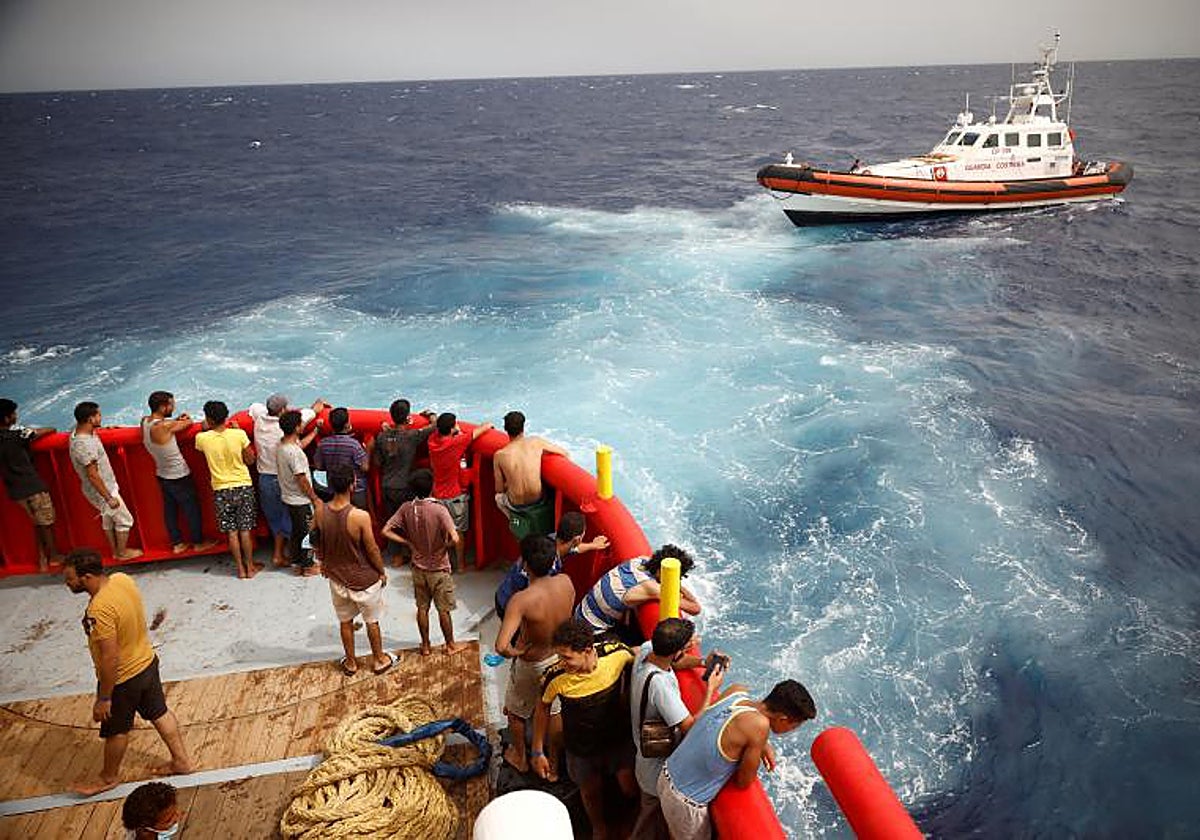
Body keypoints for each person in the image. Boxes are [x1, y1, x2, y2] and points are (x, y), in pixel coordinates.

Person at [63, 549, 193, 796]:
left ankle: (108, 778)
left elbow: (110, 658)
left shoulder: (99, 610)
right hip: (147, 661)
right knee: (160, 713)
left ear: (87, 577)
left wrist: (104, 697)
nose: (67, 583)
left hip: (123, 679)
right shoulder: (122, 579)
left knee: (116, 730)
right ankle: (181, 761)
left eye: (70, 578)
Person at [658, 679, 817, 840]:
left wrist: (762, 745)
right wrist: (759, 743)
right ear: (782, 719)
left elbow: (729, 725)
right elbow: (744, 781)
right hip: (685, 801)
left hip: (666, 773)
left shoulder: (736, 692)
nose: (792, 731)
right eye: (794, 726)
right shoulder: (759, 726)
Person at [531, 618, 638, 840]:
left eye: (567, 657)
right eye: (559, 656)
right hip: (580, 748)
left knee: (629, 787)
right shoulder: (555, 676)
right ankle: (598, 827)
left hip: (617, 739)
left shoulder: (615, 653)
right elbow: (542, 707)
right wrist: (537, 751)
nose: (561, 662)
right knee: (590, 793)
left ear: (588, 650)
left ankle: (631, 821)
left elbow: (641, 654)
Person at [629, 618, 718, 840]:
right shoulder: (660, 686)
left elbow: (674, 663)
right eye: (687, 645)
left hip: (642, 758)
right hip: (655, 770)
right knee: (649, 821)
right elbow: (689, 727)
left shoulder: (648, 650)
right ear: (676, 650)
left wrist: (701, 662)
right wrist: (711, 691)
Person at [494, 535, 575, 774]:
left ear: (524, 564)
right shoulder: (566, 582)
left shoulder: (521, 600)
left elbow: (501, 646)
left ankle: (521, 757)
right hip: (560, 658)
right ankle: (554, 763)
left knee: (516, 711)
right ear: (553, 562)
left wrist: (516, 651)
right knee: (554, 709)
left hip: (533, 661)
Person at [313, 465, 394, 676]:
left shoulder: (320, 511)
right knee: (372, 621)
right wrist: (381, 571)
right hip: (364, 580)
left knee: (345, 621)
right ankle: (378, 659)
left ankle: (350, 662)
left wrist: (323, 562)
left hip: (337, 579)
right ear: (353, 485)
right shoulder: (360, 516)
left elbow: (315, 540)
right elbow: (372, 549)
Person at [380, 468, 465, 656]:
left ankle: (425, 646)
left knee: (422, 608)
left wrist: (408, 543)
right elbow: (455, 538)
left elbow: (385, 530)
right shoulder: (439, 509)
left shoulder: (406, 508)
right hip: (439, 569)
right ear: (432, 486)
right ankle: (450, 644)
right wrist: (444, 547)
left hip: (418, 568)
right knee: (444, 609)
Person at [248, 394, 324, 567]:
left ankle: (278, 555)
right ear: (283, 411)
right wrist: (316, 408)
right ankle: (303, 560)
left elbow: (253, 406)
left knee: (276, 519)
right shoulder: (286, 434)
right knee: (296, 521)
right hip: (284, 480)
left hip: (264, 479)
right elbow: (312, 412)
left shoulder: (259, 417)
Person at [494, 511, 608, 619]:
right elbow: (532, 597)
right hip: (509, 606)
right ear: (577, 539)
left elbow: (575, 548)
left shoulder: (551, 540)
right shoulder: (546, 567)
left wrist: (593, 545)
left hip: (504, 593)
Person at [576, 544, 702, 640]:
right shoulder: (651, 588)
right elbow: (695, 608)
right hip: (591, 632)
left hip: (579, 614)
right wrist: (676, 583)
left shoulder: (639, 561)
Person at [142, 391, 215, 555]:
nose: (173, 407)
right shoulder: (164, 426)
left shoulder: (145, 422)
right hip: (178, 475)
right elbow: (188, 423)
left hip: (162, 473)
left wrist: (174, 421)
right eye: (171, 405)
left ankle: (177, 543)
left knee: (170, 511)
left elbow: (167, 425)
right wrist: (183, 419)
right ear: (162, 407)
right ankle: (198, 542)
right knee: (192, 509)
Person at [69, 401, 142, 561]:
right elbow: (93, 475)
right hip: (103, 489)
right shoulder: (85, 444)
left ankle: (115, 551)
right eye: (98, 415)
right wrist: (109, 498)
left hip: (95, 490)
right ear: (90, 419)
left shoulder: (77, 433)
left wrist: (104, 429)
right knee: (125, 520)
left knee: (108, 519)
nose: (101, 417)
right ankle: (122, 553)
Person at [194, 401, 259, 579]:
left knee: (232, 532)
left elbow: (203, 436)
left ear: (209, 419)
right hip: (243, 485)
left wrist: (205, 426)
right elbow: (251, 460)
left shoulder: (202, 439)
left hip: (221, 489)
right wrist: (238, 432)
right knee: (244, 530)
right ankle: (251, 567)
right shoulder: (239, 434)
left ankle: (240, 569)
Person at [0, 398, 61, 570]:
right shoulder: (18, 436)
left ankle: (42, 557)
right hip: (33, 486)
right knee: (46, 523)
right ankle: (54, 556)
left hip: (15, 490)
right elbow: (50, 430)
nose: (15, 416)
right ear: (6, 419)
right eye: (13, 414)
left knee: (36, 522)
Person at [427, 412, 492, 571]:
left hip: (437, 494)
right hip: (455, 496)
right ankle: (461, 565)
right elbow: (482, 429)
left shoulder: (432, 441)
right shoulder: (456, 443)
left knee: (441, 531)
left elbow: (437, 427)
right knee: (458, 532)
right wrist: (488, 425)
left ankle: (440, 562)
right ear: (451, 429)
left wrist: (432, 417)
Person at [493, 411, 567, 540]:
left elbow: (499, 489)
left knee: (498, 499)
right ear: (523, 427)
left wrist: (509, 482)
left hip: (516, 504)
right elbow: (564, 453)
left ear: (505, 429)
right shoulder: (536, 442)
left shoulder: (499, 455)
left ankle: (515, 520)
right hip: (537, 499)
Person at [372, 398, 437, 532]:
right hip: (404, 488)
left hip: (386, 487)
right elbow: (435, 425)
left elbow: (377, 462)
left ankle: (395, 550)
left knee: (393, 523)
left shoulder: (381, 437)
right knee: (409, 523)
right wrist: (430, 414)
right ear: (408, 417)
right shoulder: (412, 436)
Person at [276, 410, 321, 576]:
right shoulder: (294, 453)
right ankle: (308, 566)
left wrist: (315, 431)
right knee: (308, 532)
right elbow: (301, 478)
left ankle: (296, 562)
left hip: (288, 497)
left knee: (296, 531)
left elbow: (299, 445)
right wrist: (314, 498)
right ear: (296, 428)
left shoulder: (282, 445)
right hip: (300, 499)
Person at [314, 407, 370, 510]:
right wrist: (369, 450)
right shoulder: (353, 445)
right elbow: (365, 467)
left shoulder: (323, 444)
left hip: (333, 489)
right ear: (347, 425)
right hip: (355, 490)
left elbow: (318, 466)